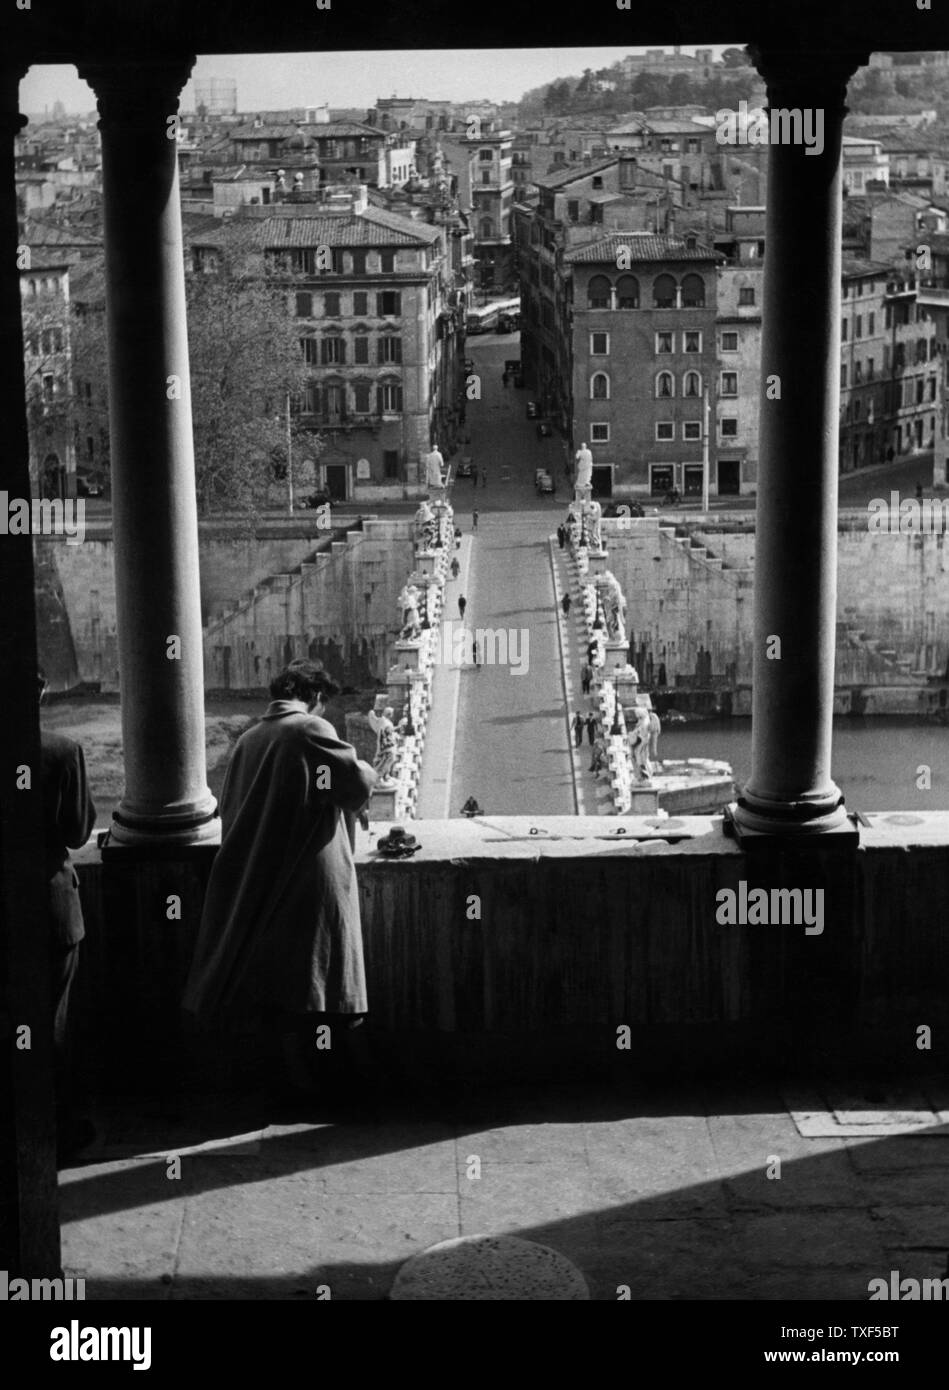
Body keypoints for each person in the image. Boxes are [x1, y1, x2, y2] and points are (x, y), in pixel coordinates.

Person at [182, 661, 377, 1094]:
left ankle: (292, 1084)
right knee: (322, 991)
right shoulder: (308, 730)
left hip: (261, 877)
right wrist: (373, 764)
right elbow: (354, 786)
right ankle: (332, 1087)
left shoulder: (250, 739)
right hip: (309, 878)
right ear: (316, 697)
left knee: (282, 994)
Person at [38, 668, 97, 1163]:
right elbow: (78, 832)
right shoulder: (60, 750)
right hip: (49, 906)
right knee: (51, 1023)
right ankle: (56, 1129)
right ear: (39, 691)